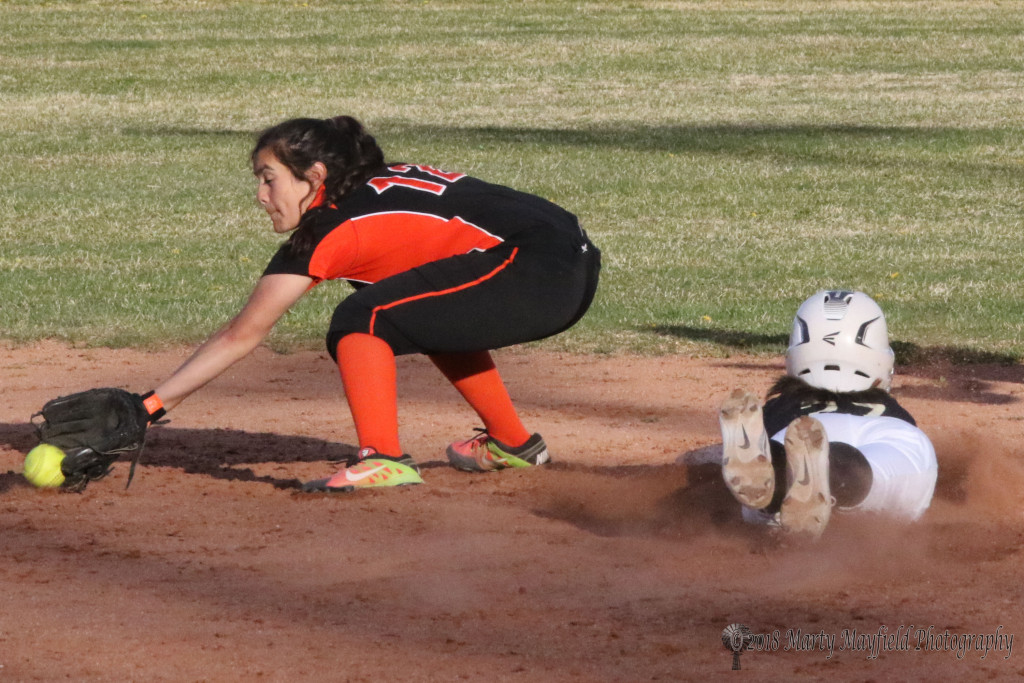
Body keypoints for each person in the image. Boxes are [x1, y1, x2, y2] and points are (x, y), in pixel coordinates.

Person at [146, 116, 600, 492]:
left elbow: (240, 334)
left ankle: (383, 458)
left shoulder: (334, 225)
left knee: (364, 316)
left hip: (534, 269)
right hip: (570, 261)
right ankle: (514, 443)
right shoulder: (371, 186)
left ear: (315, 177)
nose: (261, 196)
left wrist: (146, 407)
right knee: (416, 308)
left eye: (269, 180)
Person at [717, 290, 937, 538]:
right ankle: (830, 471)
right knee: (878, 476)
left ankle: (778, 471)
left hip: (797, 427)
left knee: (770, 480)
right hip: (886, 432)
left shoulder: (783, 405)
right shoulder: (892, 410)